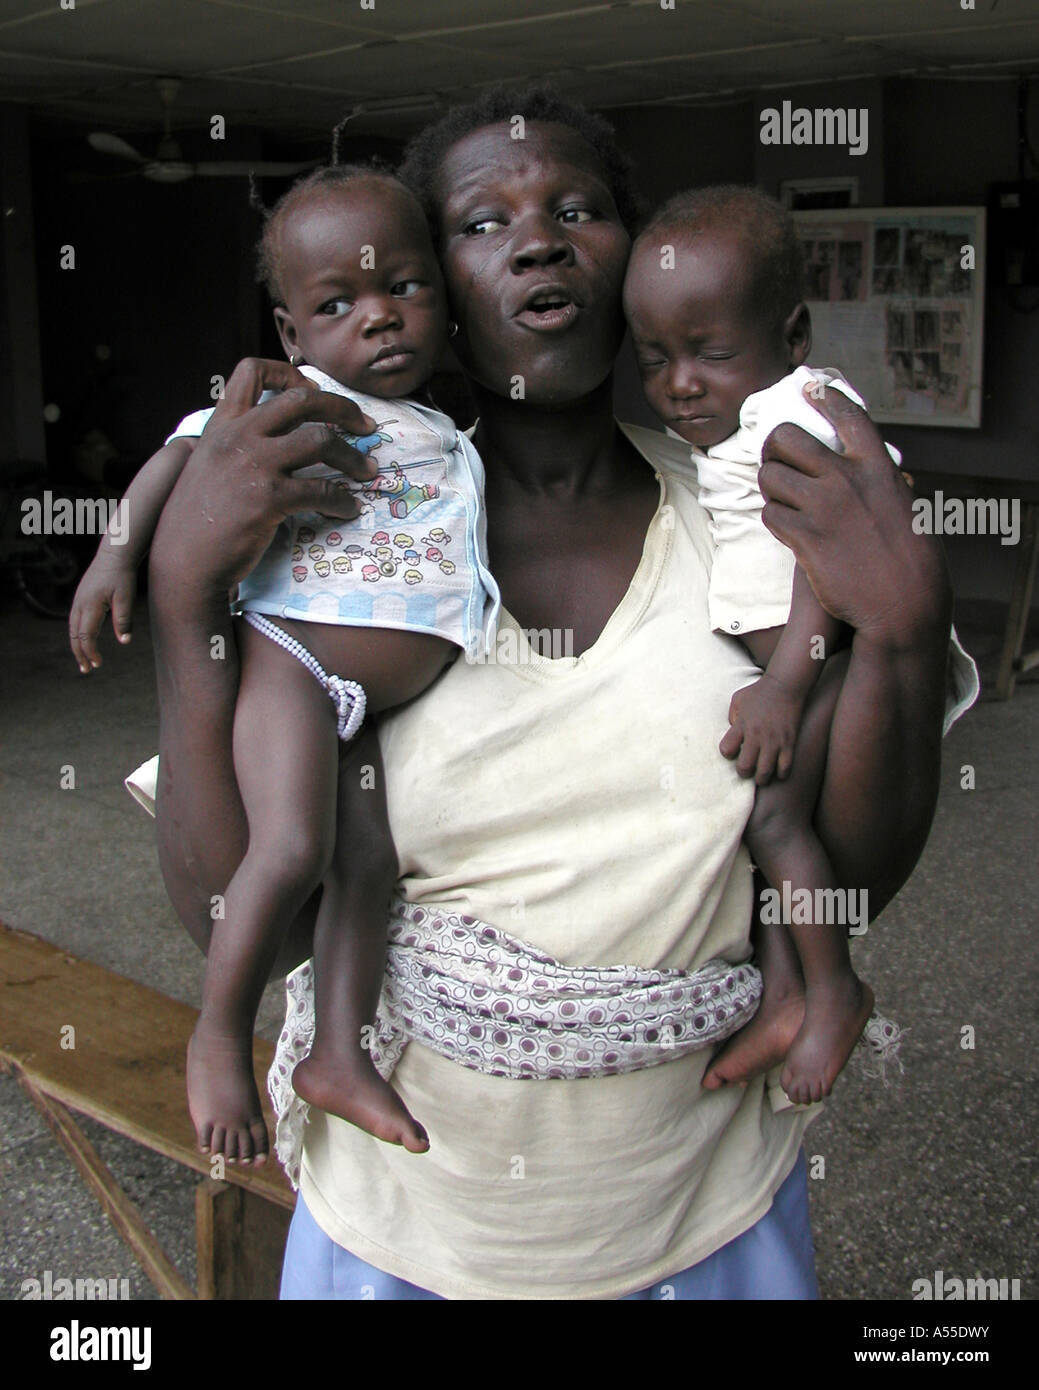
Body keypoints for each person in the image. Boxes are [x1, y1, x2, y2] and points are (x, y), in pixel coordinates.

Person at [123, 86, 977, 1300]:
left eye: (576, 208)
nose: (536, 239)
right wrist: (181, 600)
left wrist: (898, 635)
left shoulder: (759, 525)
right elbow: (231, 922)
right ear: (424, 285)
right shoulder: (344, 554)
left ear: (635, 268)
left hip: (703, 1223)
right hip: (406, 1238)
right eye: (480, 224)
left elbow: (854, 874)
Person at [70, 164, 500, 1163]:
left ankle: (339, 1054)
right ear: (290, 332)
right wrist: (115, 553)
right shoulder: (289, 399)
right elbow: (177, 457)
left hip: (362, 707)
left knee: (366, 865)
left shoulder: (442, 429)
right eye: (338, 302)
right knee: (293, 846)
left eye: (405, 286)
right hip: (293, 665)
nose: (382, 318)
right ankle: (217, 1032)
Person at [622, 185, 903, 1105]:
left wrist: (785, 683)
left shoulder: (798, 417)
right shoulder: (747, 419)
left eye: (709, 352)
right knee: (774, 827)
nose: (679, 383)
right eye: (655, 357)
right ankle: (788, 989)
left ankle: (832, 991)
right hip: (791, 664)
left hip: (822, 661)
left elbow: (822, 569)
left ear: (791, 335)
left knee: (776, 822)